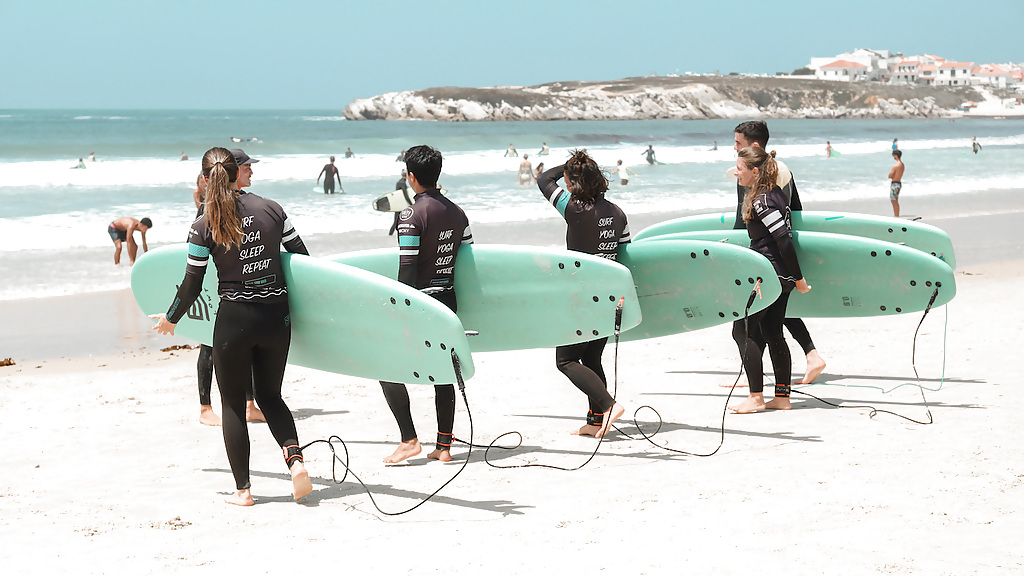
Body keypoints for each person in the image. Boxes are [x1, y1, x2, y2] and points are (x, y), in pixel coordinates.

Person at [149, 147, 312, 506]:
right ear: (238, 172)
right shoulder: (272, 209)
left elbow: (192, 283)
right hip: (275, 317)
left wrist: (171, 318)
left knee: (234, 406)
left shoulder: (202, 224)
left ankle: (244, 491)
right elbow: (303, 261)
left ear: (206, 179)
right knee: (270, 396)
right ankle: (296, 461)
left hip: (235, 320)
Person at [380, 145, 473, 464]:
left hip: (419, 302)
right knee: (444, 372)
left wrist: (398, 308)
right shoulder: (458, 212)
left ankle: (409, 440)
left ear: (411, 177)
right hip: (447, 300)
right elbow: (468, 261)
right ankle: (444, 447)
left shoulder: (410, 214)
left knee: (384, 365)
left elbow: (407, 267)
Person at [535, 150, 629, 438]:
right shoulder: (617, 213)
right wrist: (584, 169)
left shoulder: (571, 207)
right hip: (610, 296)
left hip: (580, 297)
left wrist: (570, 167)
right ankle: (595, 421)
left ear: (573, 181)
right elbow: (624, 258)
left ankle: (608, 405)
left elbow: (543, 178)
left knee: (565, 360)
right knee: (591, 359)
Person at [732, 120, 826, 386]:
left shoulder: (764, 175)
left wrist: (740, 248)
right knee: (773, 324)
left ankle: (758, 383)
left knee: (751, 325)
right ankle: (773, 376)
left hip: (769, 256)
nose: (734, 148)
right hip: (778, 257)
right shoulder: (771, 170)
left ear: (755, 146)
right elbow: (795, 210)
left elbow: (753, 215)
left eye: (738, 143)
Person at [730, 146, 812, 414]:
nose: (736, 173)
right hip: (779, 274)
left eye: (740, 169)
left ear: (755, 172)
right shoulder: (774, 195)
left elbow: (783, 240)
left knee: (741, 330)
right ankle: (782, 397)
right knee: (773, 332)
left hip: (770, 275)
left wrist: (799, 278)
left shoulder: (762, 201)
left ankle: (756, 397)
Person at [192, 168, 266, 427]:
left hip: (232, 287)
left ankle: (249, 405)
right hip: (216, 287)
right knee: (208, 345)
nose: (251, 172)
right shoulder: (207, 212)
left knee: (242, 348)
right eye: (246, 168)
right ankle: (205, 408)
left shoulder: (233, 206)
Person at [388, 169, 412, 236]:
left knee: (397, 221)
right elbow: (405, 195)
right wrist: (411, 204)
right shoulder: (402, 183)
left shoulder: (400, 182)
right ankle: (391, 234)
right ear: (406, 175)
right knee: (397, 221)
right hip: (400, 205)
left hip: (399, 204)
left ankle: (393, 234)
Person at [889, 149, 904, 217]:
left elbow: (890, 175)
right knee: (895, 200)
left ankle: (896, 215)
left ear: (896, 156)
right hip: (899, 183)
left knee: (894, 201)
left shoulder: (895, 166)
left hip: (895, 183)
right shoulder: (902, 165)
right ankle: (896, 215)